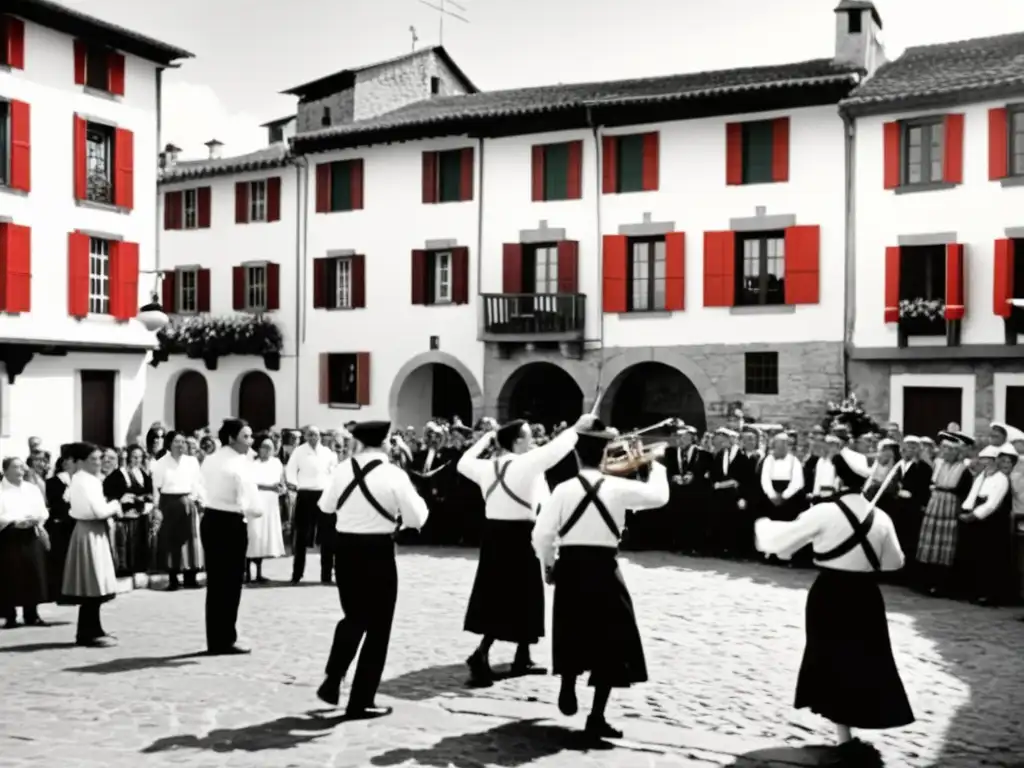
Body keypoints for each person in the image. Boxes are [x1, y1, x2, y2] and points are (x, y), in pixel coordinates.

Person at [754, 445, 913, 751]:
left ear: (838, 481)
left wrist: (763, 527)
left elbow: (782, 542)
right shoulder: (880, 518)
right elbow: (894, 563)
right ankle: (847, 731)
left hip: (829, 593)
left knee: (830, 656)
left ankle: (844, 733)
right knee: (863, 658)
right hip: (866, 596)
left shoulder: (824, 512)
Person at [532, 418, 669, 739]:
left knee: (570, 629)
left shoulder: (563, 489)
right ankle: (597, 716)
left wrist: (548, 565)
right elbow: (659, 497)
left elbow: (541, 534)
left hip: (571, 565)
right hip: (605, 567)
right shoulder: (618, 488)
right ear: (605, 454)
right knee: (612, 639)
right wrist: (654, 463)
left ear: (577, 455)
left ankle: (568, 686)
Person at [456, 414, 585, 684]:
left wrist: (485, 440)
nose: (533, 441)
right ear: (517, 442)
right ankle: (482, 653)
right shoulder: (525, 464)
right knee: (520, 595)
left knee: (501, 595)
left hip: (493, 536)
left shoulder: (485, 467)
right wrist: (578, 426)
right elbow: (557, 449)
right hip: (520, 536)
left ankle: (522, 655)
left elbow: (462, 463)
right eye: (528, 437)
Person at [315, 420, 429, 718]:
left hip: (346, 550)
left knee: (353, 617)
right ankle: (361, 700)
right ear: (386, 442)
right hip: (378, 551)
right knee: (378, 628)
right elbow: (417, 518)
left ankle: (334, 675)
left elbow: (326, 507)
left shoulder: (341, 470)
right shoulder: (394, 474)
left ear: (360, 443)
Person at [200, 419, 259, 655]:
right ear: (232, 438)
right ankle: (226, 638)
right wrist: (255, 511)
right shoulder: (238, 464)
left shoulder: (211, 459)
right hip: (231, 521)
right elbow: (250, 502)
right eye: (246, 436)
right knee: (231, 582)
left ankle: (216, 638)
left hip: (211, 519)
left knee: (216, 584)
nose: (250, 441)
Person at [63, 442, 122, 647]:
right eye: (93, 459)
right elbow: (98, 511)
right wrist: (115, 505)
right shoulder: (86, 481)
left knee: (95, 583)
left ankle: (94, 627)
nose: (99, 462)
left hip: (91, 530)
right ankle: (87, 633)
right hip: (90, 531)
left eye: (99, 458)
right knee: (91, 583)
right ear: (80, 462)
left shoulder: (86, 479)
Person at [915, 432, 974, 596]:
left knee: (946, 544)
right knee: (930, 540)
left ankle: (942, 584)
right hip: (935, 504)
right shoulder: (938, 464)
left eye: (950, 450)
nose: (946, 452)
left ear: (957, 452)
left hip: (949, 506)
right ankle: (927, 580)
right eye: (944, 449)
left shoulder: (964, 469)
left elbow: (964, 492)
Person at [957, 444, 1015, 605]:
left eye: (989, 459)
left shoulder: (1001, 478)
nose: (986, 462)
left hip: (993, 523)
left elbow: (992, 504)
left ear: (996, 461)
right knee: (977, 558)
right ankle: (976, 590)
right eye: (983, 459)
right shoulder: (982, 476)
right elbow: (973, 495)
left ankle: (991, 595)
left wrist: (974, 515)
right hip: (978, 520)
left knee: (991, 559)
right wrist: (966, 509)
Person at [0, 457, 51, 628]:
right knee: (10, 575)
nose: (21, 470)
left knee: (33, 573)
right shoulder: (2, 490)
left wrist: (36, 519)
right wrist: (14, 521)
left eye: (22, 467)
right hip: (9, 534)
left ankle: (32, 614)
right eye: (16, 467)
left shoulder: (31, 489)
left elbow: (43, 511)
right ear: (5, 470)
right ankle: (10, 615)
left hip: (30, 534)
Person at [151, 431, 205, 591]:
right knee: (171, 541)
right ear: (169, 444)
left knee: (191, 540)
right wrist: (156, 508)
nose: (181, 445)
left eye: (183, 442)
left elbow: (198, 483)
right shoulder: (160, 464)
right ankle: (173, 578)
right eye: (176, 442)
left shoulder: (192, 462)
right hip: (169, 503)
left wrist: (199, 500)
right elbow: (156, 488)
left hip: (189, 502)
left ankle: (191, 577)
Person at [285, 426, 337, 585]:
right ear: (305, 436)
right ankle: (297, 574)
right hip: (305, 494)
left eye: (315, 434)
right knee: (301, 535)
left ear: (320, 436)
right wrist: (293, 484)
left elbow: (334, 472)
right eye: (309, 435)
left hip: (324, 495)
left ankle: (326, 574)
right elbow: (290, 470)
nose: (312, 437)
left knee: (328, 536)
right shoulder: (299, 452)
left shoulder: (328, 453)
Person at [247, 435, 287, 583]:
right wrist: (269, 487)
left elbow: (281, 482)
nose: (267, 450)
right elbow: (251, 484)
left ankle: (259, 572)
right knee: (254, 535)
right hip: (257, 501)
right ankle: (247, 573)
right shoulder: (253, 464)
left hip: (271, 504)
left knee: (264, 537)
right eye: (265, 447)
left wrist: (281, 488)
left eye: (270, 447)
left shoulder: (277, 463)